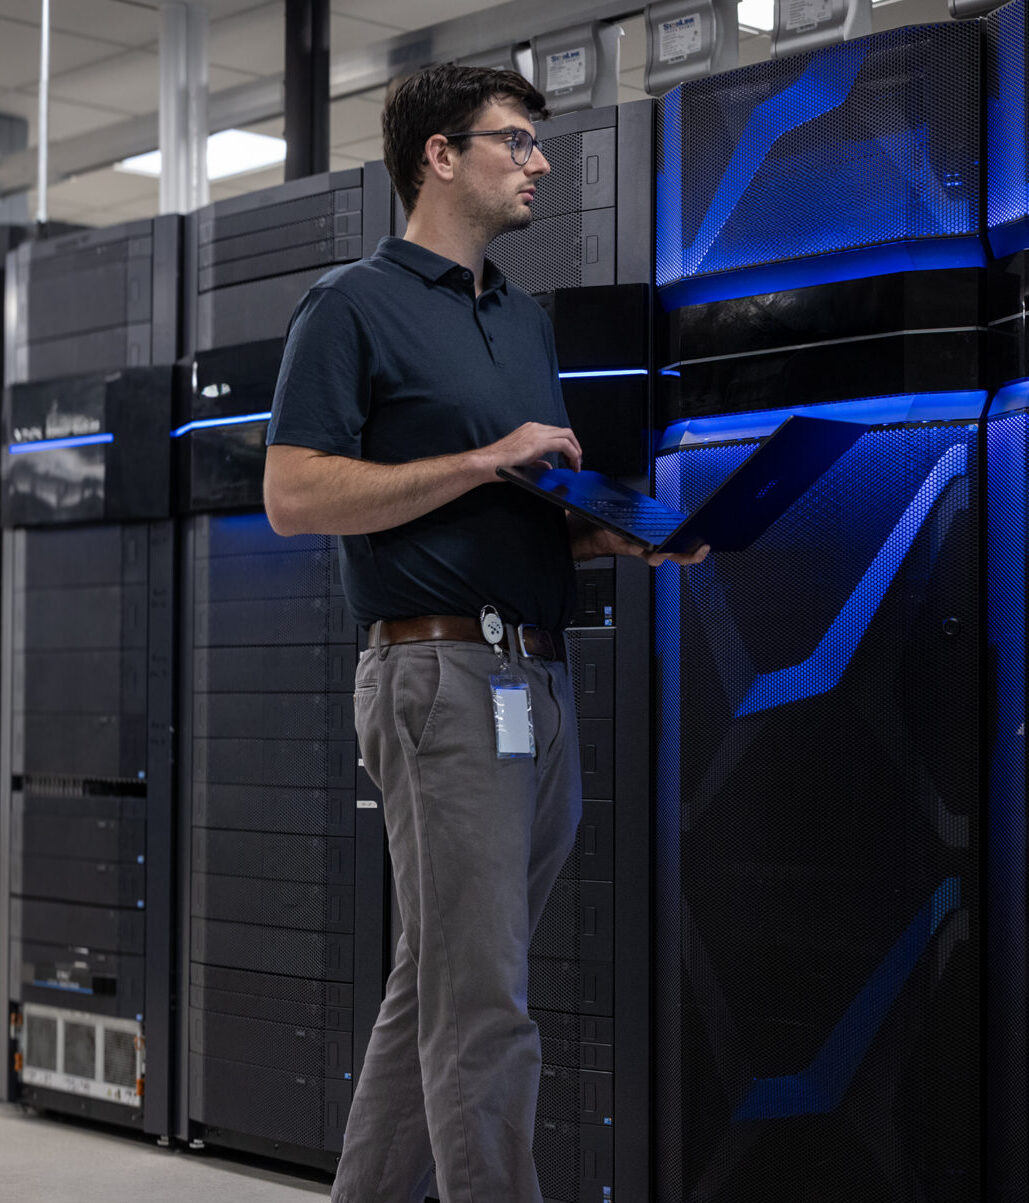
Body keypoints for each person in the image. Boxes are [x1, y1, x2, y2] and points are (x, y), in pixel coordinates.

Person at [262, 62, 705, 1203]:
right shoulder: (350, 304)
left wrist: (612, 540)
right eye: (516, 140)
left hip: (537, 679)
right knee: (484, 1004)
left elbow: (505, 518)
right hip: (437, 673)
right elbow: (295, 498)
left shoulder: (519, 317)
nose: (540, 161)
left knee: (447, 984)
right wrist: (482, 456)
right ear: (439, 155)